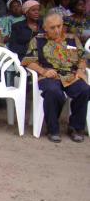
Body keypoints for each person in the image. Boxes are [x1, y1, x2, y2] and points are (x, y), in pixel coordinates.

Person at [22, 12, 88, 143]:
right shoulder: (38, 40)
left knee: (84, 90)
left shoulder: (72, 39)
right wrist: (43, 71)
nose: (57, 30)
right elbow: (28, 61)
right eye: (52, 28)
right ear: (45, 28)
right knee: (53, 92)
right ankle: (53, 129)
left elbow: (83, 57)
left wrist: (81, 70)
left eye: (59, 26)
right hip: (49, 76)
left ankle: (75, 127)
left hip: (71, 76)